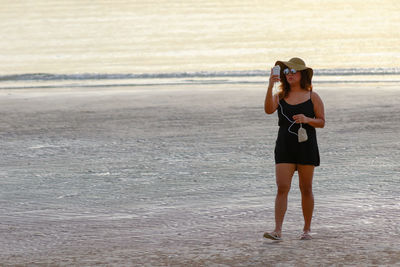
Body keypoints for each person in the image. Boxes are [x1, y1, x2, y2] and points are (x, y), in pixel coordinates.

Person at [263, 57, 325, 240]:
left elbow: (322, 122)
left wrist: (307, 120)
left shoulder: (313, 96)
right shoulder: (279, 96)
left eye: (293, 71)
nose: (289, 74)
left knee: (306, 188)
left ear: (302, 74)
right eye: (287, 72)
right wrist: (269, 86)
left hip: (306, 146)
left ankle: (306, 229)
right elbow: (268, 110)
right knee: (282, 187)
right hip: (284, 146)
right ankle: (277, 231)